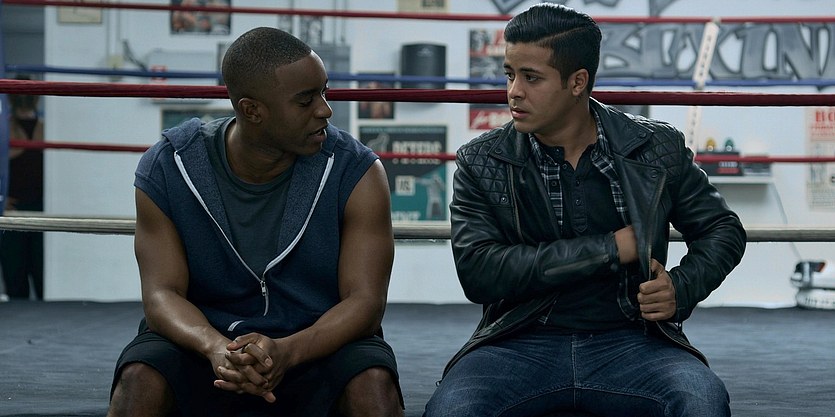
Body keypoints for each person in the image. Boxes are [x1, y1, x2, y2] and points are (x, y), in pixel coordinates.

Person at [424, 4, 746, 417]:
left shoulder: (654, 148)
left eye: (531, 77)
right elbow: (479, 271)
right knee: (451, 410)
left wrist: (680, 289)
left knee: (702, 401)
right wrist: (611, 248)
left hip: (631, 339)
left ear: (578, 82)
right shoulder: (483, 160)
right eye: (509, 74)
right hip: (517, 339)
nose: (514, 91)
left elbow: (723, 229)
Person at [107, 27, 404, 417]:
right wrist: (216, 348)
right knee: (139, 381)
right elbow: (161, 294)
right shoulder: (170, 166)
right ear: (252, 111)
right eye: (305, 100)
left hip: (320, 341)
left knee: (373, 387)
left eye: (324, 92)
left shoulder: (356, 170)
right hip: (203, 344)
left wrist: (288, 351)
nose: (324, 110)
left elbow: (365, 302)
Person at [1, 75, 45, 301]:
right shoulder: (4, 130)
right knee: (15, 279)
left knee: (44, 276)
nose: (24, 97)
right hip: (13, 211)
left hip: (44, 210)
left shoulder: (47, 128)